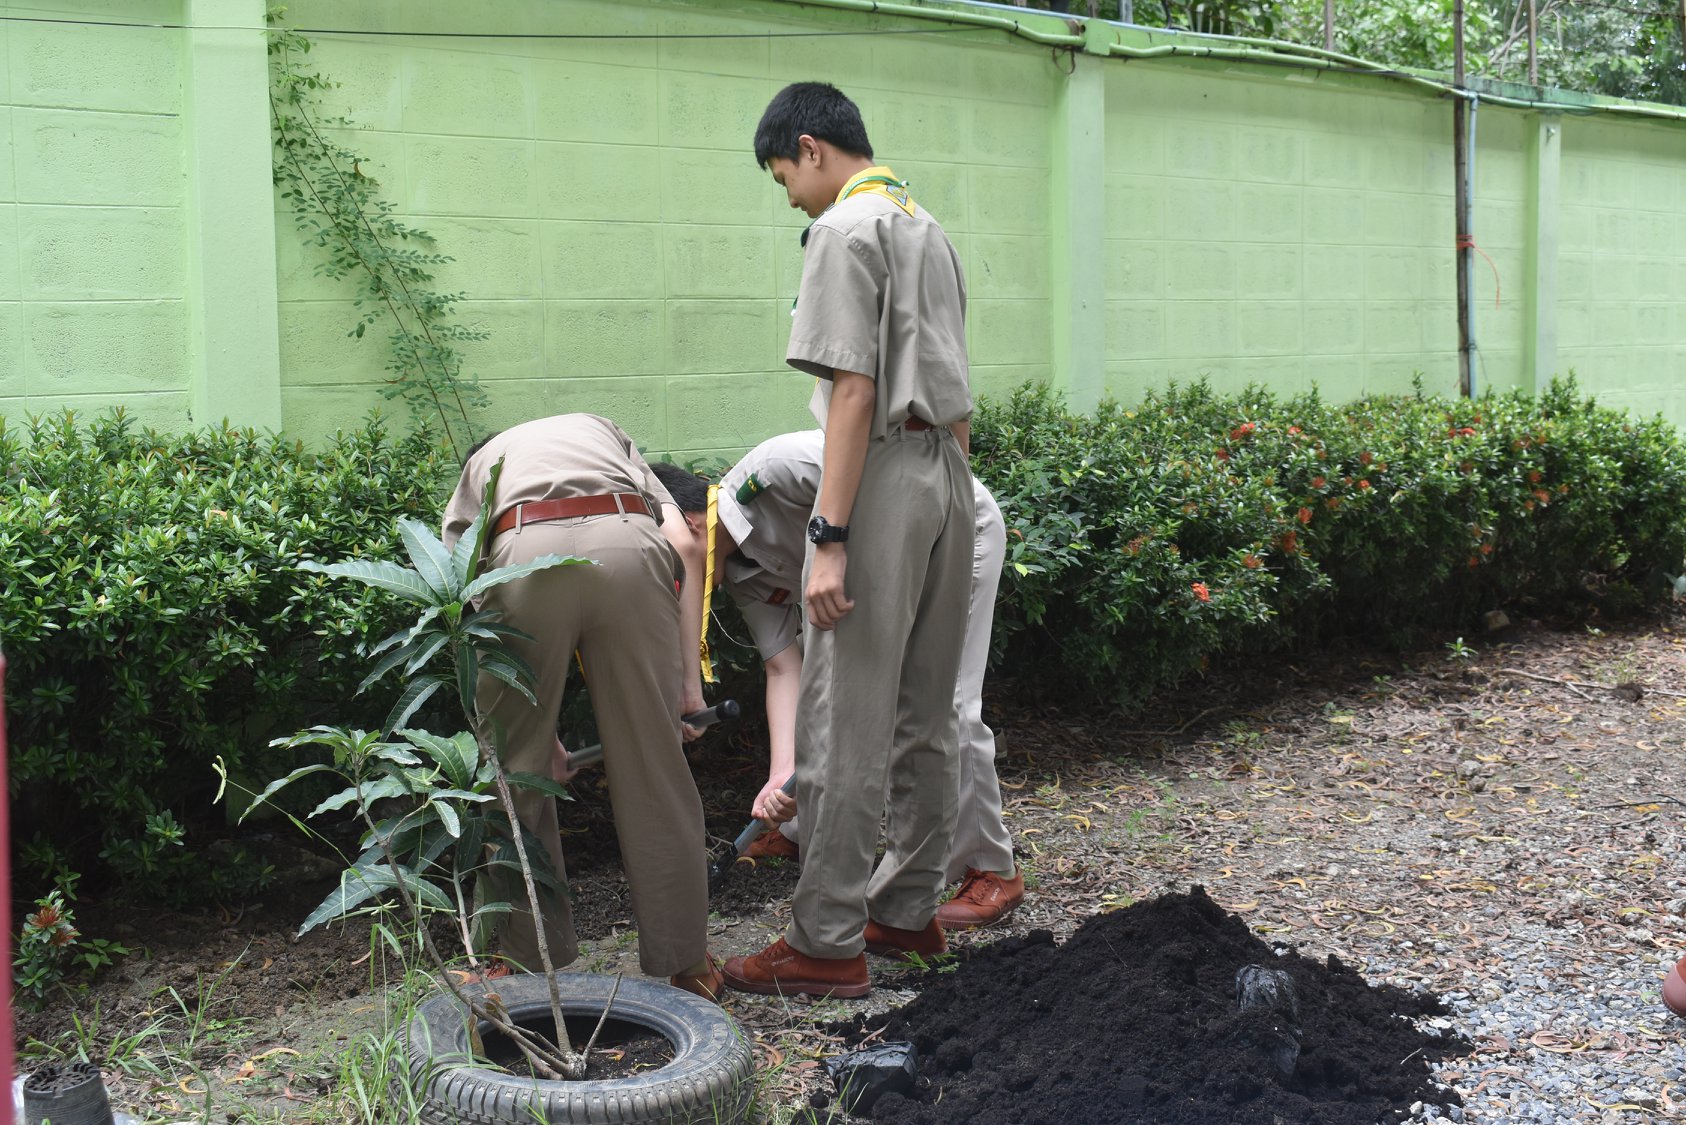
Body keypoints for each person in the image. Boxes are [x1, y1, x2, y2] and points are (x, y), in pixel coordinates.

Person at [719, 82, 975, 998]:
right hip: (948, 471)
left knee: (843, 712)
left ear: (811, 147)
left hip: (882, 477)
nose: (788, 193)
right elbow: (957, 389)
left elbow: (854, 393)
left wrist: (827, 536)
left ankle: (825, 942)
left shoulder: (842, 231)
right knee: (926, 710)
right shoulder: (926, 224)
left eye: (784, 173)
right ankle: (906, 913)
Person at [652, 438, 1025, 932]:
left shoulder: (774, 473)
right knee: (833, 697)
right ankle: (797, 826)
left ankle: (991, 866)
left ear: (690, 527)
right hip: (879, 576)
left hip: (950, 531)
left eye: (669, 570)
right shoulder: (743, 578)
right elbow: (786, 668)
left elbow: (903, 483)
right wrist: (782, 778)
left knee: (944, 701)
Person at [441, 414, 721, 1001]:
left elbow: (461, 587)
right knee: (654, 766)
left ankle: (519, 962)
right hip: (628, 542)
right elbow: (686, 540)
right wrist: (687, 689)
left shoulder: (484, 463)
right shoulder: (606, 431)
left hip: (525, 547)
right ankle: (689, 963)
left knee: (514, 772)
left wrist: (536, 739)